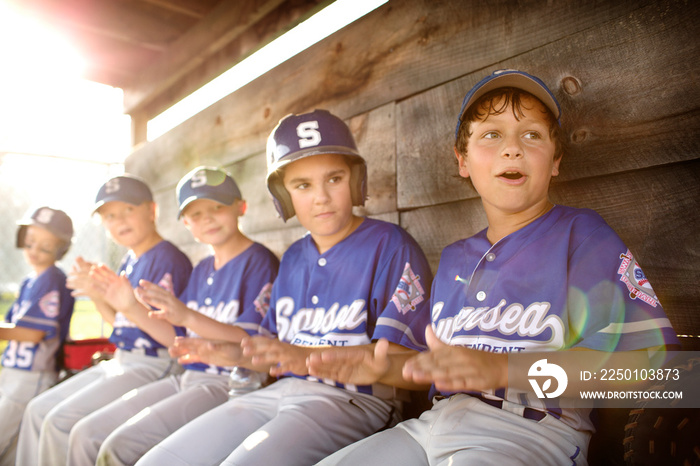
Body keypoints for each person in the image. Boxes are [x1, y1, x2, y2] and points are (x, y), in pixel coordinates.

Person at [314, 70, 680, 465]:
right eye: (491, 135)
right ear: (463, 161)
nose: (512, 149)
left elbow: (649, 372)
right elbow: (428, 366)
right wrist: (385, 367)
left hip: (532, 433)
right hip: (431, 425)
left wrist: (502, 368)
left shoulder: (583, 237)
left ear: (555, 161)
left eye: (532, 135)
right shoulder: (455, 257)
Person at [135, 109, 434, 466]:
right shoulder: (293, 258)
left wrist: (306, 359)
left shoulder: (390, 245)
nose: (320, 197)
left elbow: (406, 364)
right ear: (284, 195)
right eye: (302, 185)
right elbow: (270, 352)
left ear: (355, 180)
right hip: (280, 390)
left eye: (334, 178)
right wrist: (223, 353)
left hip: (353, 399)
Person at [64, 166, 280, 466]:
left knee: (121, 447)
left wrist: (186, 317)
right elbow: (178, 342)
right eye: (196, 214)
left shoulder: (258, 261)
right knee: (98, 437)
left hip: (230, 381)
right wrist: (117, 301)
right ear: (186, 224)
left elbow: (252, 343)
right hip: (189, 376)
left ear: (240, 207)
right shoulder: (203, 268)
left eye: (217, 207)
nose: (207, 218)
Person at [16, 174, 193, 466]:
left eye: (128, 210)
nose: (118, 220)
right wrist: (96, 294)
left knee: (62, 423)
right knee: (38, 410)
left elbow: (176, 337)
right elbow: (121, 324)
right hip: (123, 359)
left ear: (151, 210)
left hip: (158, 361)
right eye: (109, 216)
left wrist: (130, 306)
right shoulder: (130, 259)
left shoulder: (167, 258)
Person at [0, 207, 74, 466]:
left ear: (60, 250)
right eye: (30, 243)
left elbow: (32, 334)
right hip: (14, 372)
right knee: (13, 447)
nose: (33, 251)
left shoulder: (53, 279)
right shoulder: (28, 281)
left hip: (33, 375)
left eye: (44, 247)